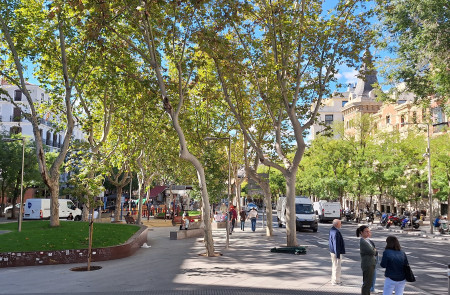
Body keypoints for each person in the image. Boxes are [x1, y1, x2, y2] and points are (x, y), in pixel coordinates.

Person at [356, 225, 377, 295]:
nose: (368, 233)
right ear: (361, 232)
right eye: (366, 231)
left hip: (371, 263)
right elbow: (372, 252)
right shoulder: (363, 242)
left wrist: (374, 250)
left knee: (369, 283)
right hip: (368, 264)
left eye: (369, 231)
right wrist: (374, 250)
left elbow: (374, 250)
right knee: (367, 283)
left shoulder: (367, 240)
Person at [328, 219, 345, 286]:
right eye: (340, 224)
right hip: (336, 252)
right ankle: (336, 281)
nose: (341, 225)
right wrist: (337, 254)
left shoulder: (332, 230)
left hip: (332, 251)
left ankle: (333, 279)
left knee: (334, 266)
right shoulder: (336, 232)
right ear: (337, 224)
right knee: (337, 267)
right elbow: (336, 244)